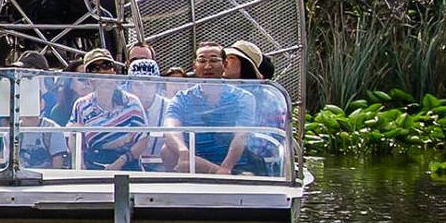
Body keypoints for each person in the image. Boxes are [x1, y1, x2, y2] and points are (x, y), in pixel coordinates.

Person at [158, 42, 254, 174]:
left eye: (214, 60)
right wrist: (183, 151)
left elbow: (242, 135)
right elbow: (170, 129)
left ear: (225, 64)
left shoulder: (242, 97)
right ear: (194, 66)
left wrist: (226, 168)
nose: (208, 66)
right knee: (167, 150)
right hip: (194, 165)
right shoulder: (182, 98)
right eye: (202, 61)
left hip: (235, 167)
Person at [66, 47, 145, 169]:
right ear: (89, 78)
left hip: (127, 164)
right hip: (93, 165)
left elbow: (143, 138)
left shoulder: (132, 102)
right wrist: (80, 167)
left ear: (114, 71)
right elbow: (74, 136)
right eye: (95, 69)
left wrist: (119, 163)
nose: (102, 72)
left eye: (106, 66)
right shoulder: (81, 105)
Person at [223, 39, 288, 177]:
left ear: (246, 65)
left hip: (257, 165)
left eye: (231, 58)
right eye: (225, 58)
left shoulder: (266, 97)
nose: (225, 62)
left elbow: (260, 146)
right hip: (225, 158)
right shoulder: (224, 91)